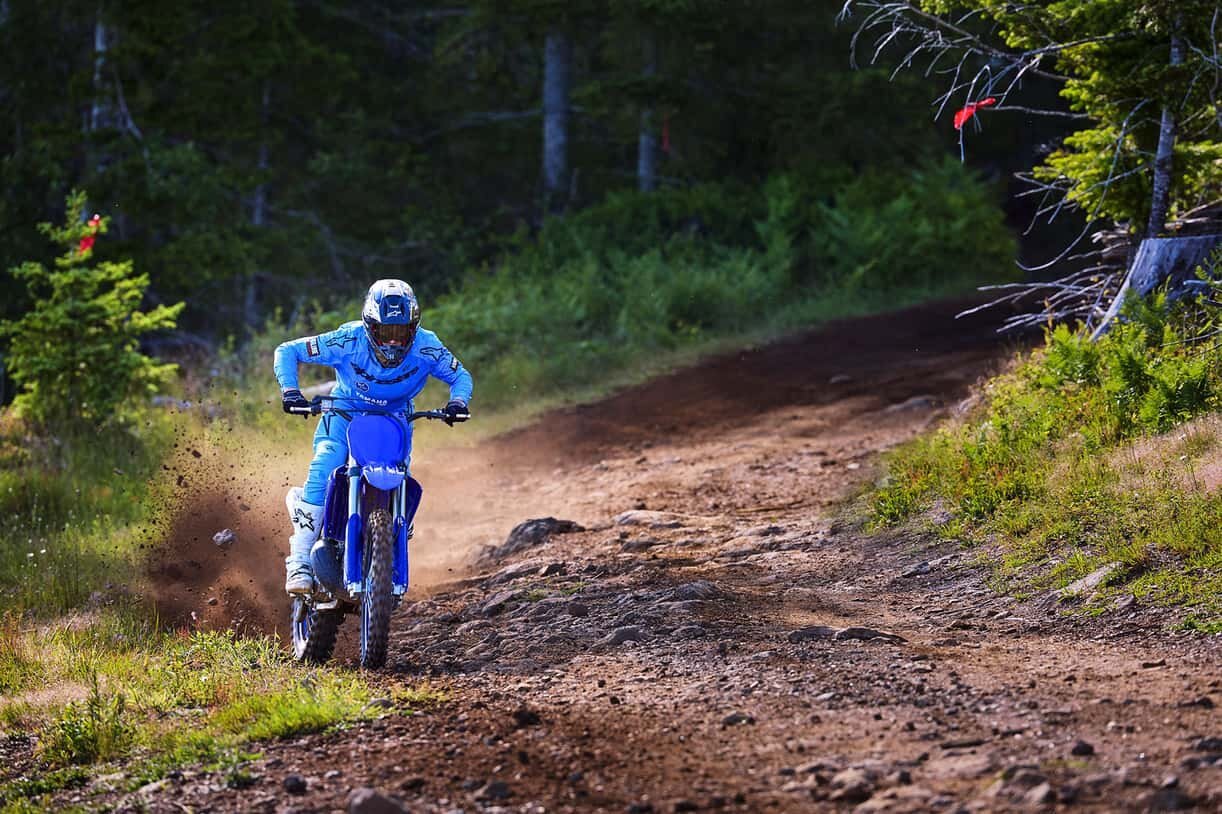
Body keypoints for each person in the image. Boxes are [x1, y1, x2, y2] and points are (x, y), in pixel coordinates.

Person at [272, 279, 472, 594]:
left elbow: (460, 375)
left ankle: (390, 545)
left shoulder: (428, 346)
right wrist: (290, 391)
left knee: (398, 478)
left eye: (401, 332)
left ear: (414, 328)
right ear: (369, 326)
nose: (393, 342)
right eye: (385, 331)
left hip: (394, 421)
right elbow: (288, 350)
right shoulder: (346, 340)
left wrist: (458, 402)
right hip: (344, 413)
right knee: (327, 463)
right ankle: (299, 561)